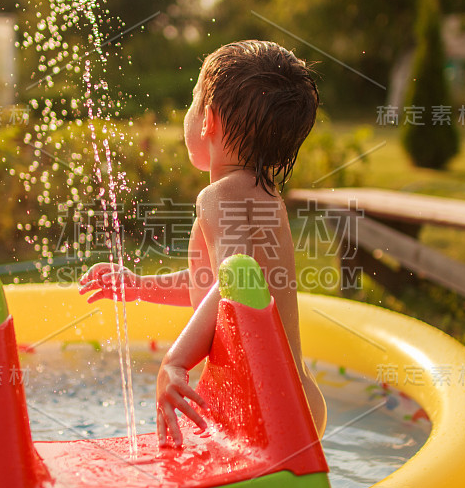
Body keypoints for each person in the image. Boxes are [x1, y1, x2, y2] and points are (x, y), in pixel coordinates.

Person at [79, 40, 326, 447]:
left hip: (259, 403)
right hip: (293, 395)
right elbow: (213, 283)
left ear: (208, 120)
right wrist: (139, 285)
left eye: (193, 102)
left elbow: (233, 285)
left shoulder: (218, 196)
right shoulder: (264, 197)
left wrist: (176, 360)